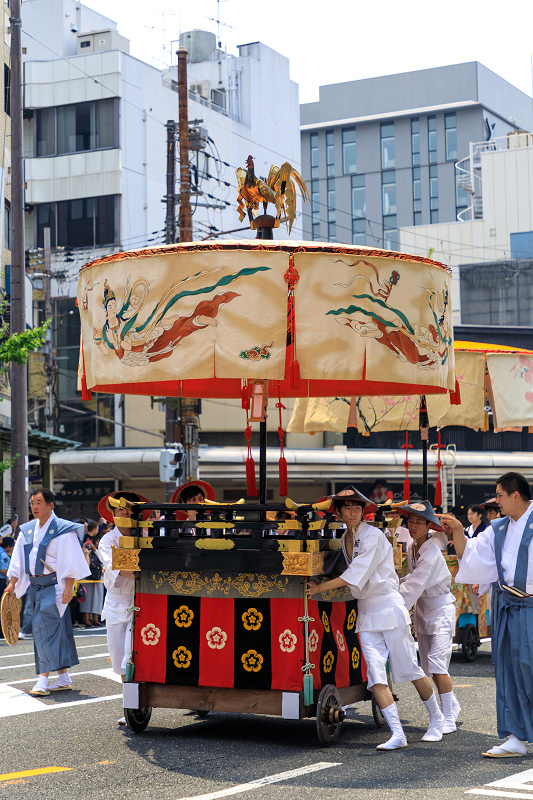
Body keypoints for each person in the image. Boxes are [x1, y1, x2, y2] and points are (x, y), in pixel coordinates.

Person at [306, 485, 445, 750]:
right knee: (376, 676)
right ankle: (397, 734)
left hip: (389, 608)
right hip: (367, 612)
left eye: (357, 507)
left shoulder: (373, 536)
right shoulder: (347, 537)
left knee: (410, 670)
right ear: (339, 512)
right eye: (347, 507)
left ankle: (437, 719)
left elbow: (357, 572)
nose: (353, 511)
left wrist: (320, 587)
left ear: (363, 511)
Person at [440, 471, 533, 758]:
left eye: (500, 496)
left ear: (515, 495)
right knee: (508, 669)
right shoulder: (499, 527)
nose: (496, 502)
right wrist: (456, 529)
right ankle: (515, 735)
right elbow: (475, 554)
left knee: (529, 667)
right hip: (506, 604)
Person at [4, 488, 90, 695]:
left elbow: (70, 560)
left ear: (50, 505)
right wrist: (12, 583)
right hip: (35, 586)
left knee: (44, 631)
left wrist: (69, 586)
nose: (34, 506)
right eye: (32, 502)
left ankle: (43, 679)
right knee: (55, 631)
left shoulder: (63, 529)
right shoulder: (28, 529)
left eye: (39, 502)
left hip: (55, 586)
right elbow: (18, 559)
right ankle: (62, 676)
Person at [397, 501, 460, 734]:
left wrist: (393, 601)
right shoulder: (413, 545)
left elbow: (414, 585)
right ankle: (451, 705)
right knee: (427, 666)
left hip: (441, 608)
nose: (413, 526)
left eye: (419, 522)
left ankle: (449, 717)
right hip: (424, 608)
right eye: (410, 521)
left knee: (437, 664)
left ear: (428, 525)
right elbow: (411, 580)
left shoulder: (431, 551)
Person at [97, 490, 149, 725]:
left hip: (145, 601)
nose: (125, 512)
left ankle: (137, 704)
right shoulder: (107, 541)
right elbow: (120, 569)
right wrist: (147, 569)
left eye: (129, 508)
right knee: (119, 658)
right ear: (113, 514)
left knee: (135, 655)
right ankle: (130, 706)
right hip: (118, 601)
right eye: (120, 508)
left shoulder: (147, 536)